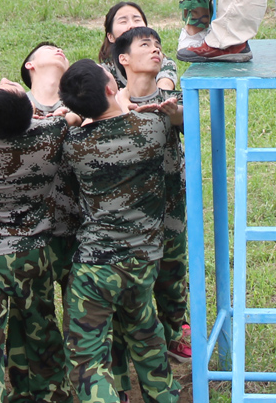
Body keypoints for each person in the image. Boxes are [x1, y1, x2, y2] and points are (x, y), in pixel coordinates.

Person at [57, 60, 180, 403]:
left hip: (96, 265)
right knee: (147, 338)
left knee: (87, 356)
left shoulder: (73, 144)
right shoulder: (152, 127)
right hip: (144, 259)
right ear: (112, 88)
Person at [0, 85, 70, 403]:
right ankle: (52, 392)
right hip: (33, 250)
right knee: (40, 322)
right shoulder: (51, 133)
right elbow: (67, 118)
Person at [111, 28, 189, 366]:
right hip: (125, 216)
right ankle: (127, 348)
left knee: (173, 275)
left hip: (170, 207)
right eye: (145, 45)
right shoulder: (110, 101)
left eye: (158, 45)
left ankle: (177, 333)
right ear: (123, 59)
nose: (155, 50)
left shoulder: (177, 98)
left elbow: (203, 124)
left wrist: (175, 117)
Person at [20, 43, 79, 290]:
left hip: (78, 229)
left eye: (62, 50)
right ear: (30, 65)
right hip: (29, 233)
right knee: (35, 321)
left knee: (81, 320)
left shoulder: (84, 107)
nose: (59, 50)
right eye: (48, 48)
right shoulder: (15, 107)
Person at [94, 2, 176, 92]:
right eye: (123, 21)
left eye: (137, 20)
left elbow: (164, 89)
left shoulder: (159, 60)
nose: (132, 26)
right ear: (110, 36)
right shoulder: (105, 71)